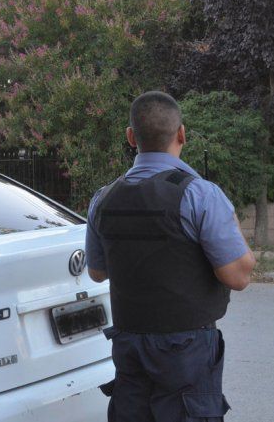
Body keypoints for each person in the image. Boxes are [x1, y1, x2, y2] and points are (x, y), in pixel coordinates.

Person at [86, 90, 256, 422]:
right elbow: (238, 276)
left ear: (131, 137)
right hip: (186, 350)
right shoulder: (201, 194)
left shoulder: (103, 198)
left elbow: (97, 272)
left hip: (129, 345)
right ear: (182, 134)